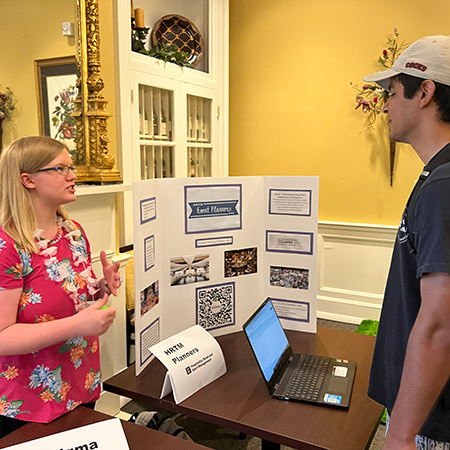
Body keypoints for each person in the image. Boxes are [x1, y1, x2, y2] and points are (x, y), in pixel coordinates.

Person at [0, 136, 121, 437]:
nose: (73, 175)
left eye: (71, 166)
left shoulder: (74, 232)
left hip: (81, 382)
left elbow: (73, 296)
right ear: (27, 180)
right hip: (28, 402)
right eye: (60, 168)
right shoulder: (7, 246)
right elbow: (2, 337)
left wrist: (102, 287)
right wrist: (78, 324)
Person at [362, 35, 450, 449]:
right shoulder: (437, 176)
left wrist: (399, 435)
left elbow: (440, 325)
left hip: (431, 419)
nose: (384, 105)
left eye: (392, 93)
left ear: (425, 92)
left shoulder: (443, 186)